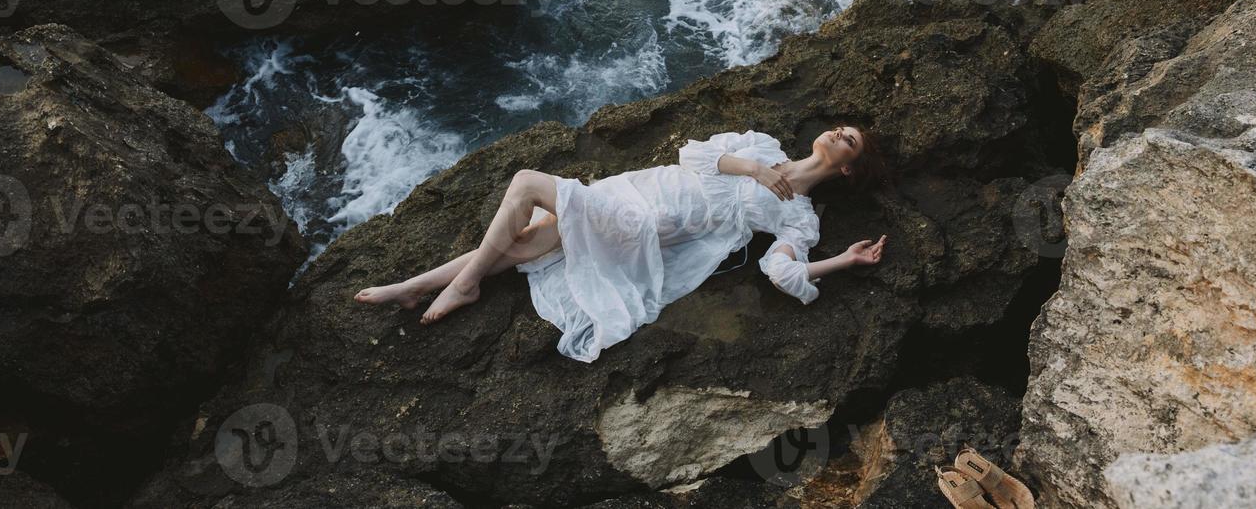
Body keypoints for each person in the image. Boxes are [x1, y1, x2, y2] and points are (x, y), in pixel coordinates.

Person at [355, 127, 888, 362]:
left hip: (651, 220)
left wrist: (841, 260)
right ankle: (412, 288)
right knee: (524, 242)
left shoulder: (798, 219)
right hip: (637, 187)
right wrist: (751, 167)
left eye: (850, 141)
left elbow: (782, 273)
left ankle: (463, 285)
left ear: (847, 169)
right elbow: (693, 155)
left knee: (525, 183)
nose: (839, 133)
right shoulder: (762, 147)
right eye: (841, 128)